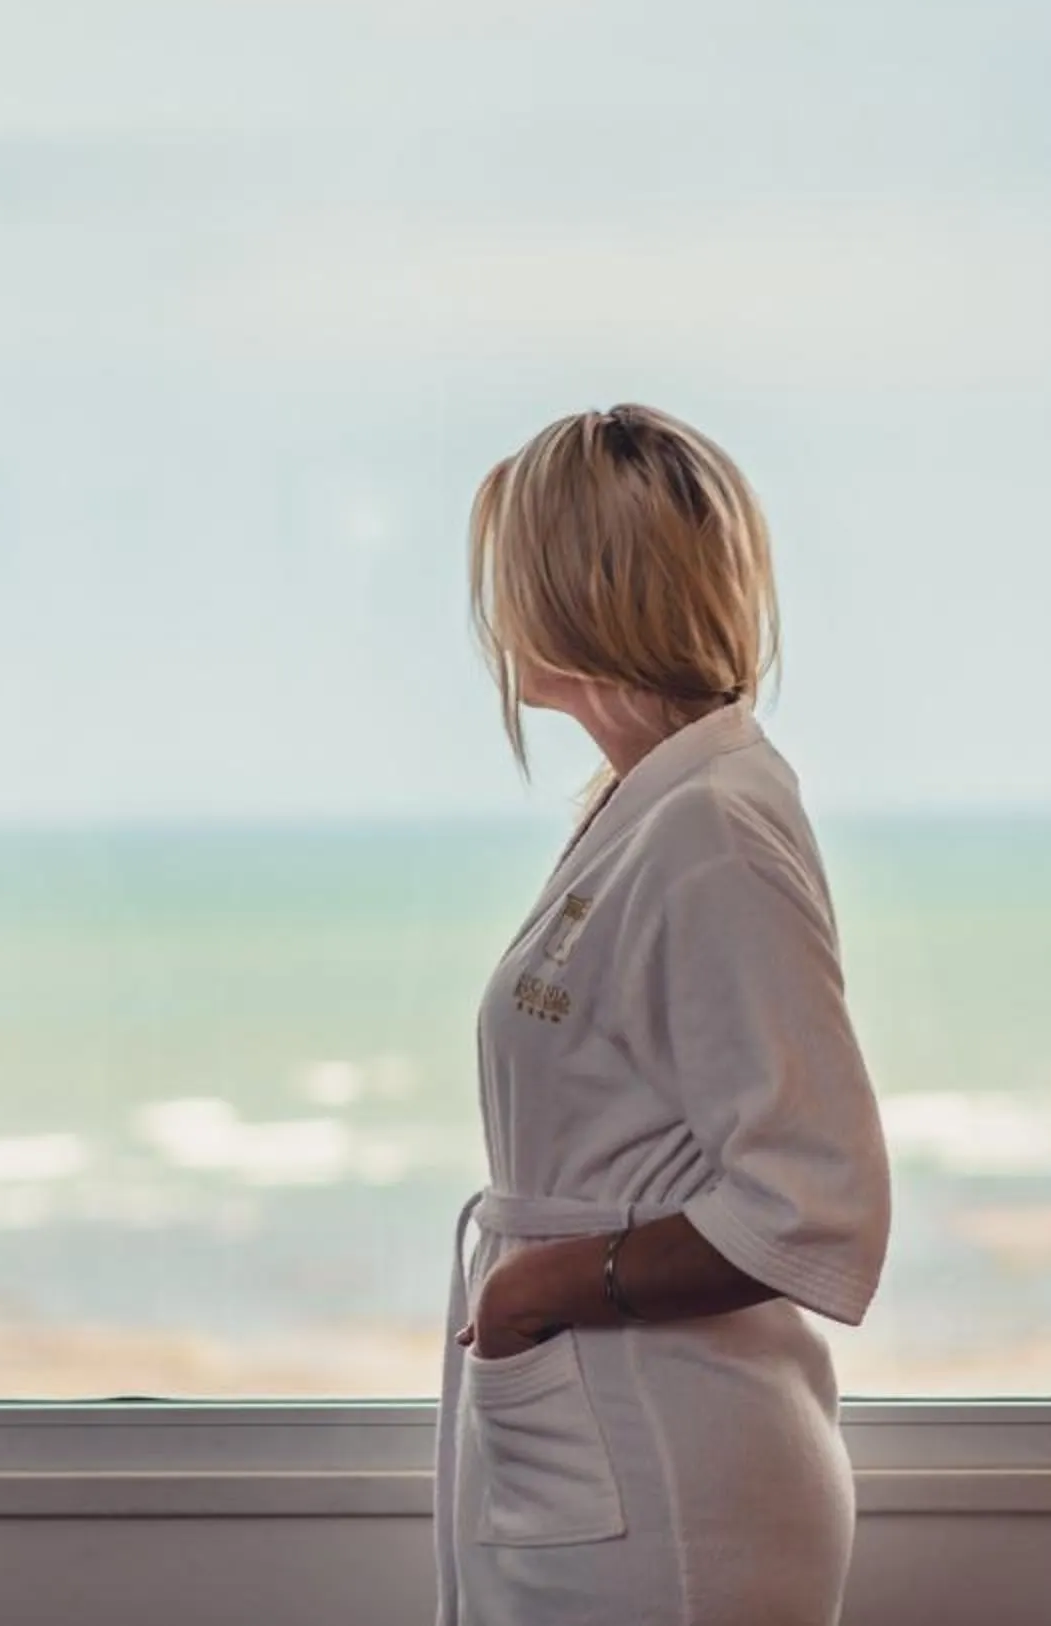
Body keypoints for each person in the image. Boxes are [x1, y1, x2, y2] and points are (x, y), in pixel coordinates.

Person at [433, 404, 893, 1626]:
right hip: (616, 1440)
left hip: (666, 1472)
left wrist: (540, 1289)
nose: (491, 607)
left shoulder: (713, 835)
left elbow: (817, 1204)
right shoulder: (654, 803)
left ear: (579, 588)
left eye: (511, 568)